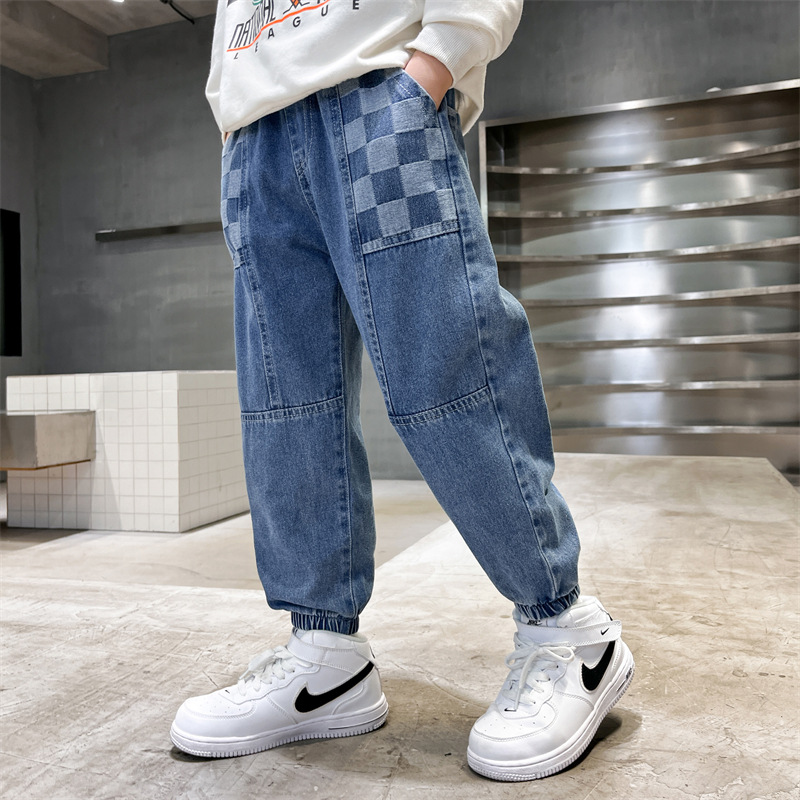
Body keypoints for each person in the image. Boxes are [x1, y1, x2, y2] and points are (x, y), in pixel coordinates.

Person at [170, 0, 634, 781]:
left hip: (378, 100)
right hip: (258, 140)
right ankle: (325, 656)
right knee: (286, 411)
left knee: (446, 375)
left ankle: (570, 633)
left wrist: (435, 64)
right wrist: (233, 114)